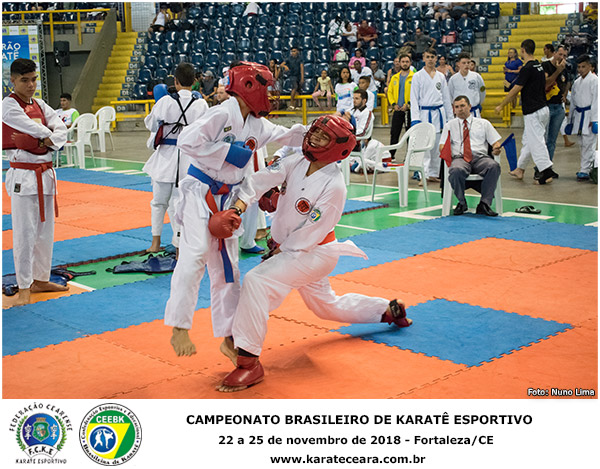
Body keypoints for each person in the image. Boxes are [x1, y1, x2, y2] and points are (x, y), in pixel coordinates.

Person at [216, 115, 411, 392]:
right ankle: (387, 311)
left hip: (314, 253)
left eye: (323, 136)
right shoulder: (296, 161)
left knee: (258, 281)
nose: (314, 137)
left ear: (338, 148)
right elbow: (259, 181)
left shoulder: (334, 186)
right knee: (325, 306)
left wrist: (278, 250)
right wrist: (238, 207)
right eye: (315, 132)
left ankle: (249, 362)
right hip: (295, 250)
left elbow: (311, 232)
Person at [163, 62, 307, 357]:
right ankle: (179, 327)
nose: (269, 94)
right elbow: (187, 141)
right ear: (248, 88)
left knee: (228, 269)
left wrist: (318, 133)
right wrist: (228, 152)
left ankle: (229, 336)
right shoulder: (220, 114)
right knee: (195, 254)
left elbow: (288, 135)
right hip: (199, 192)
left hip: (228, 199)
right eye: (265, 87)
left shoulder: (258, 125)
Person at [2, 58, 68, 305]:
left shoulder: (40, 104)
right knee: (24, 234)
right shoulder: (8, 105)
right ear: (12, 80)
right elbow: (31, 127)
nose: (30, 85)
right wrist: (47, 137)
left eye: (33, 80)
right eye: (24, 80)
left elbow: (61, 128)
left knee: (44, 233)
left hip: (46, 175)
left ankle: (40, 279)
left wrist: (47, 140)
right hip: (24, 176)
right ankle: (24, 286)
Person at [143, 62, 209, 254]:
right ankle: (180, 247)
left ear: (176, 81)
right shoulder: (201, 104)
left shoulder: (165, 101)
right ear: (194, 81)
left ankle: (155, 243)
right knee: (183, 204)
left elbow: (151, 125)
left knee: (158, 203)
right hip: (189, 159)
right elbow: (207, 131)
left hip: (165, 158)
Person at [495, 39, 556, 185]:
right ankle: (520, 169)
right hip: (543, 109)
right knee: (529, 140)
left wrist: (501, 105)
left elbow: (516, 89)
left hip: (533, 111)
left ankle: (546, 171)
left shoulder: (527, 68)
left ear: (523, 50)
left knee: (536, 142)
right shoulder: (539, 66)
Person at [441, 96, 502, 216]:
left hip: (480, 158)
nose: (460, 109)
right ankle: (461, 202)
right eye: (457, 107)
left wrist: (496, 148)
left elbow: (495, 142)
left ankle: (484, 204)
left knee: (493, 166)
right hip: (460, 158)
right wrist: (445, 149)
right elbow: (442, 145)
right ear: (454, 110)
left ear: (469, 106)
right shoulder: (449, 125)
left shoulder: (483, 123)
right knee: (455, 169)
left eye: (462, 106)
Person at [410, 48, 453, 182]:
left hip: (439, 113)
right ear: (423, 58)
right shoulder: (417, 76)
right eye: (427, 57)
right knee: (424, 146)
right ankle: (424, 174)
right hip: (424, 113)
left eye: (432, 57)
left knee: (437, 145)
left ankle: (433, 173)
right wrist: (415, 119)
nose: (430, 59)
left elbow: (446, 98)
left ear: (436, 59)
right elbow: (414, 99)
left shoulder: (441, 76)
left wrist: (450, 118)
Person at [566, 54, 598, 181]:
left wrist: (595, 120)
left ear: (590, 66)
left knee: (589, 144)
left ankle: (586, 170)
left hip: (589, 115)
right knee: (582, 143)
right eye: (579, 67)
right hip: (579, 116)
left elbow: (596, 101)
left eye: (583, 67)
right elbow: (573, 102)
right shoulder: (577, 82)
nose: (580, 69)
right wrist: (570, 120)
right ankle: (588, 169)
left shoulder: (595, 80)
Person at [541, 45, 569, 162]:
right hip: (546, 106)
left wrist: (565, 94)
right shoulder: (545, 66)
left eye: (565, 56)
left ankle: (548, 164)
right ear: (555, 53)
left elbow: (567, 82)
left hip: (558, 107)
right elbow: (546, 83)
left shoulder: (564, 69)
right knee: (543, 139)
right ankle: (541, 165)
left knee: (552, 140)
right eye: (560, 54)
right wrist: (558, 71)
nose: (562, 57)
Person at [387, 54, 414, 157]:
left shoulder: (414, 77)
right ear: (399, 63)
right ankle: (391, 156)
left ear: (410, 63)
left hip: (409, 110)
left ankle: (409, 157)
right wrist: (393, 104)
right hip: (397, 109)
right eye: (403, 62)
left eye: (407, 62)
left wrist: (408, 104)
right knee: (394, 133)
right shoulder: (395, 77)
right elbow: (389, 92)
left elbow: (416, 93)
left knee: (410, 134)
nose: (405, 64)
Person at [448, 52, 486, 118]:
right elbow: (450, 95)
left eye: (468, 63)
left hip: (474, 111)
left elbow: (482, 92)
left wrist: (477, 103)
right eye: (464, 63)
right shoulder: (453, 79)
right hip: (460, 113)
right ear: (458, 64)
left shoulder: (476, 76)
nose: (466, 65)